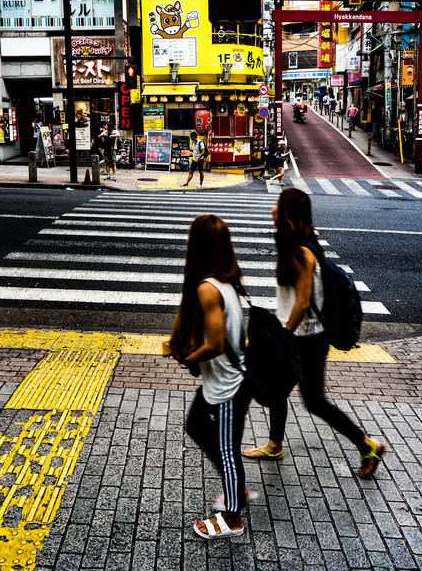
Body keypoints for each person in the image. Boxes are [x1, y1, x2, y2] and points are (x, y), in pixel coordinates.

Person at [242, 188, 385, 480]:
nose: (272, 208)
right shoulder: (297, 242)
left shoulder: (301, 251)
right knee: (280, 391)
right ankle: (274, 445)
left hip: (304, 339)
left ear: (287, 213)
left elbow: (303, 300)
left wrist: (283, 336)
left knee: (309, 400)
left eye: (277, 204)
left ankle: (367, 443)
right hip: (305, 337)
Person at [165, 215, 252, 539]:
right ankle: (237, 490)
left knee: (228, 452)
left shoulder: (207, 287)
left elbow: (215, 345)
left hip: (227, 387)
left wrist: (186, 357)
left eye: (191, 236)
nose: (187, 241)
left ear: (199, 244)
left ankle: (232, 518)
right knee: (197, 426)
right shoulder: (225, 279)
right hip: (224, 381)